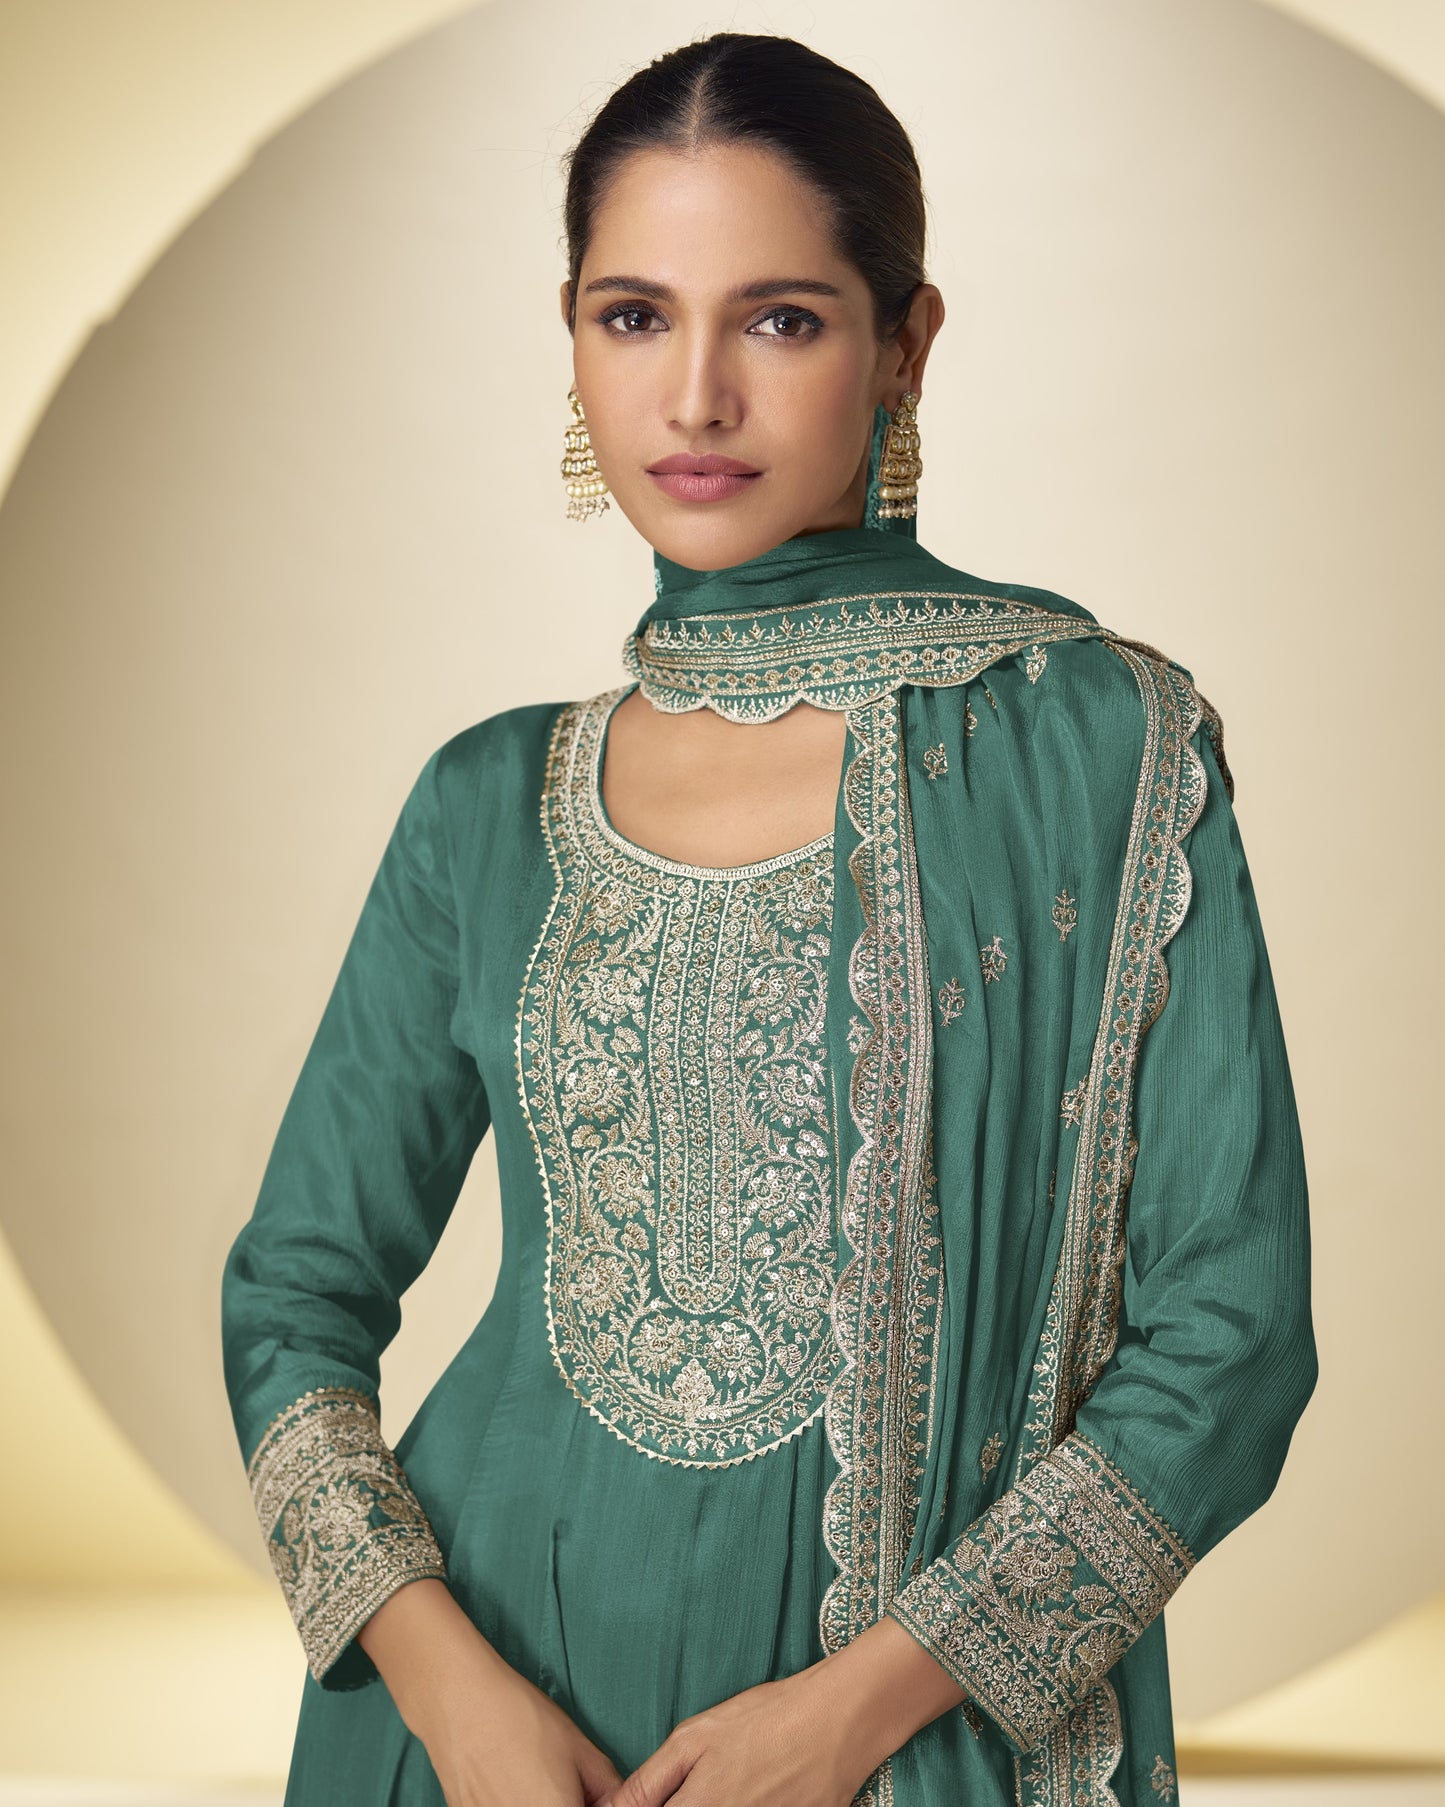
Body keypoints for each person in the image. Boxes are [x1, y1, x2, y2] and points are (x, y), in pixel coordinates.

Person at [220, 31, 1317, 1807]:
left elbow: (1234, 1331)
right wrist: (442, 1692)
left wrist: (857, 1712)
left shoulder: (1101, 743)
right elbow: (291, 1295)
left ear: (905, 344)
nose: (695, 399)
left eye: (782, 319)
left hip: (913, 1739)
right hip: (484, 1729)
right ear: (567, 336)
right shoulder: (488, 801)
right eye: (633, 316)